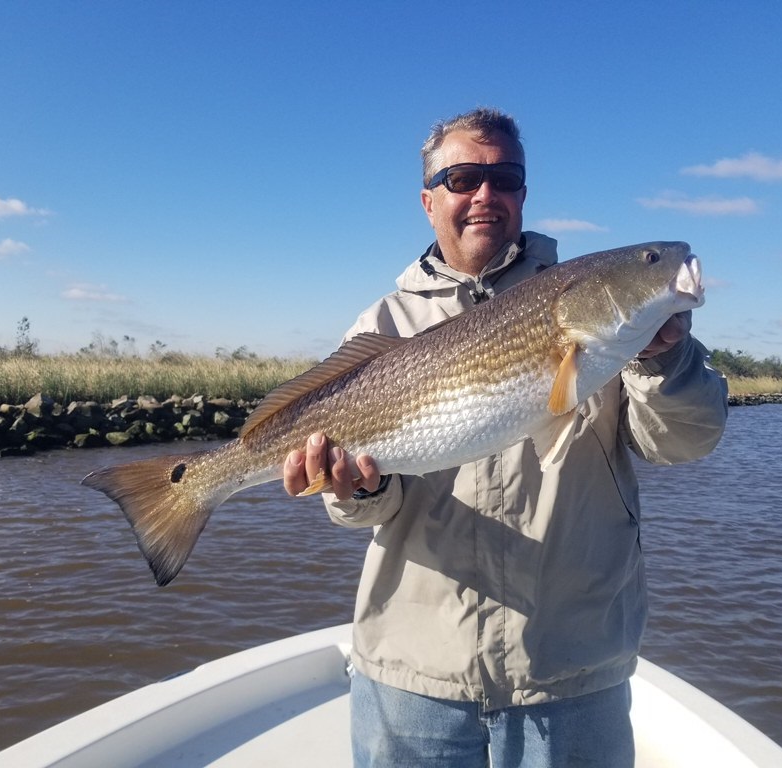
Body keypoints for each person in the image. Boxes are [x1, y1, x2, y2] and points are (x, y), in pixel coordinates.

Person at [283, 108, 728, 768]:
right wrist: (358, 490)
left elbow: (684, 443)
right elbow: (362, 508)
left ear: (523, 194)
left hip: (572, 667)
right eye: (463, 177)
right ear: (429, 199)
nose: (484, 194)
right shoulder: (382, 322)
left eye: (505, 177)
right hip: (414, 672)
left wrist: (663, 359)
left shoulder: (614, 333)